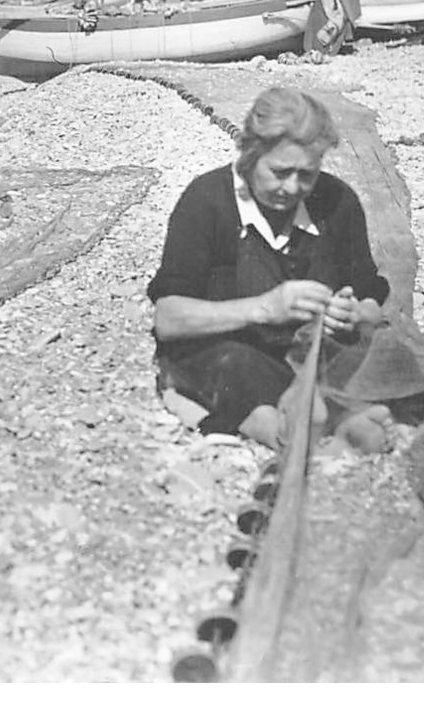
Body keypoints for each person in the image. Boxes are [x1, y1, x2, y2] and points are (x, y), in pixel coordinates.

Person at [147, 87, 402, 453]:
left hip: (313, 353)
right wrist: (265, 307)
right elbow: (168, 320)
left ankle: (309, 422)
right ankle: (310, 424)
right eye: (280, 172)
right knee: (232, 364)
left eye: (307, 175)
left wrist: (351, 313)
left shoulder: (337, 201)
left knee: (387, 352)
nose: (292, 188)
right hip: (228, 350)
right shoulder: (206, 202)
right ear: (251, 154)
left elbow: (372, 305)